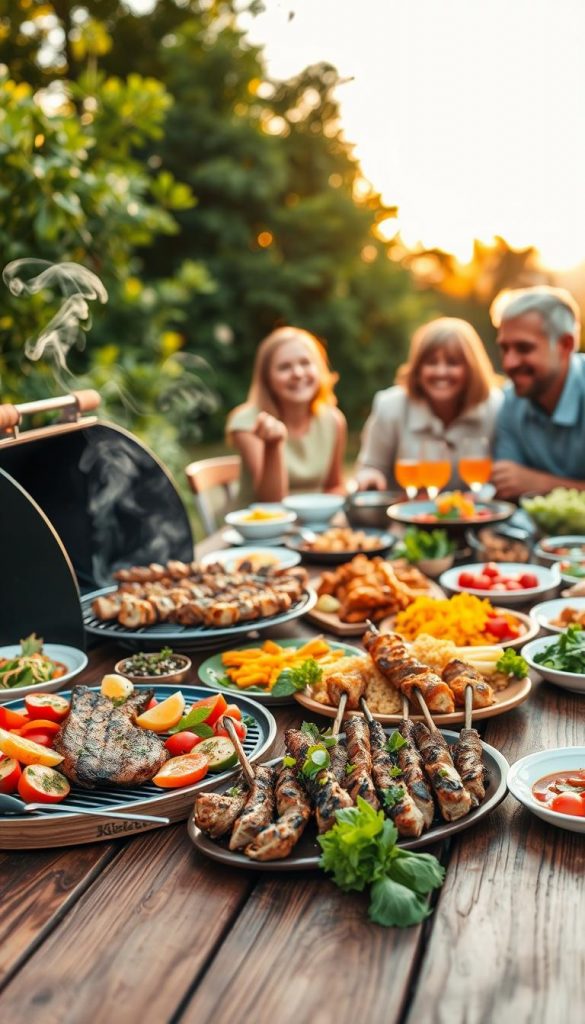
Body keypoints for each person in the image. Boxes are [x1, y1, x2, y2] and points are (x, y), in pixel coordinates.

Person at [355, 317, 502, 491]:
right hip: (406, 514)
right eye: (431, 362)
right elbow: (370, 467)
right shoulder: (390, 406)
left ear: (471, 369)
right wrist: (370, 478)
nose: (441, 372)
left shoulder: (495, 406)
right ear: (417, 368)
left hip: (473, 516)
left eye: (452, 363)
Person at [226, 326, 347, 503]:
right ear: (267, 378)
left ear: (319, 369)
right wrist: (273, 445)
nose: (298, 374)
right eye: (284, 367)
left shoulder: (333, 420)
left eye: (305, 363)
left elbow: (333, 486)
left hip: (315, 526)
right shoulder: (247, 422)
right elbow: (271, 502)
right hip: (260, 527)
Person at [491, 286, 585, 500]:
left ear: (565, 345)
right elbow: (508, 485)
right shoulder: (511, 400)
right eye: (504, 348)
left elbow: (522, 482)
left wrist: (542, 484)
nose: (509, 363)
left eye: (524, 348)